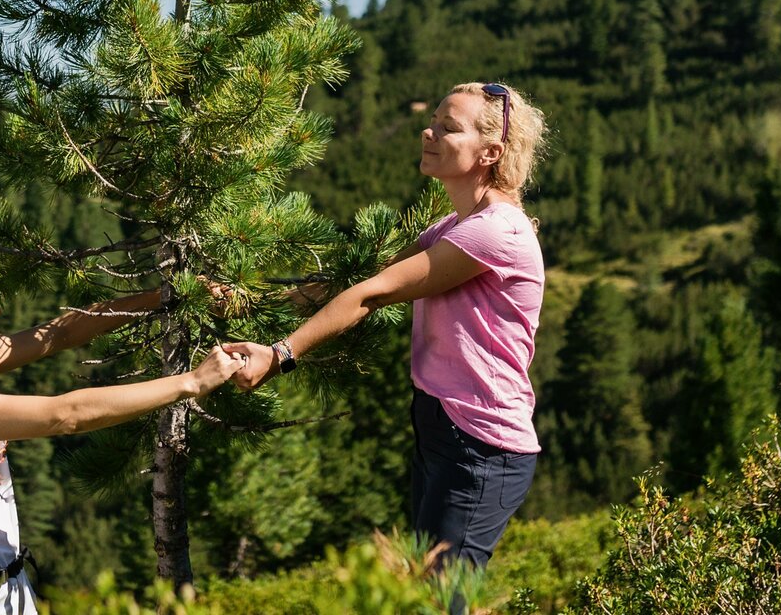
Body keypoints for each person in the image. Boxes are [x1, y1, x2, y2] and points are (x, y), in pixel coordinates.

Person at [226, 81, 548, 569]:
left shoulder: (495, 232)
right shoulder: (451, 227)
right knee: (427, 583)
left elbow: (373, 294)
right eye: (433, 121)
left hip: (483, 444)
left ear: (490, 152)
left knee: (442, 596)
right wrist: (250, 300)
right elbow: (364, 279)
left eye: (448, 127)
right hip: (444, 425)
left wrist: (281, 354)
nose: (429, 131)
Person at [0, 229, 242, 613]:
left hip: (1, 590)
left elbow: (63, 332)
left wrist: (167, 298)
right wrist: (191, 382)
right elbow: (65, 416)